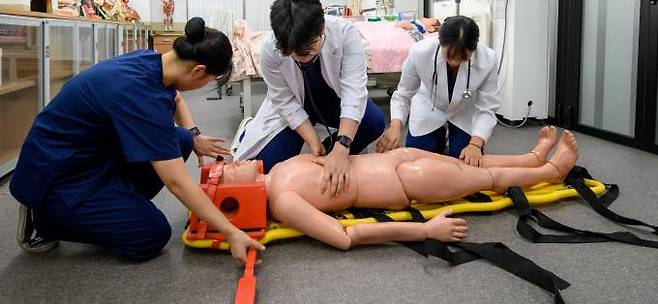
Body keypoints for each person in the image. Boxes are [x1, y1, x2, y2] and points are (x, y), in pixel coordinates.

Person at [10, 17, 264, 263]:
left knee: (182, 140)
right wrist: (231, 233)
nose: (206, 83)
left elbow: (175, 98)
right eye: (208, 80)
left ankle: (115, 206)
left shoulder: (153, 61)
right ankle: (45, 220)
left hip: (89, 156)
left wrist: (194, 136)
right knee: (151, 235)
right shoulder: (142, 97)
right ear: (198, 70)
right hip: (58, 177)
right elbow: (176, 181)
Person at [224, 127, 577, 249]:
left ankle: (531, 158)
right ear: (236, 197)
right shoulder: (284, 201)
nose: (227, 165)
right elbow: (346, 236)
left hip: (398, 158)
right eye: (224, 175)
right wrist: (426, 229)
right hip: (404, 182)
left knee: (466, 162)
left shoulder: (279, 168)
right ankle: (551, 172)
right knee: (486, 181)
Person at [235, 0, 386, 196]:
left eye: (310, 47)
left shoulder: (345, 34)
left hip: (334, 100)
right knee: (265, 168)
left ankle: (327, 157)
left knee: (374, 122)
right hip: (295, 105)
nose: (304, 57)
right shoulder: (270, 49)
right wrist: (312, 140)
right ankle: (249, 131)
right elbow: (284, 100)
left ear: (322, 26)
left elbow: (354, 92)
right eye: (296, 52)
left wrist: (341, 147)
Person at [378, 15, 499, 167]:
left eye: (462, 57)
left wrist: (475, 145)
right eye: (450, 55)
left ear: (474, 49)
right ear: (440, 42)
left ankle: (534, 160)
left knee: (467, 165)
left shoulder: (488, 59)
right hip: (429, 106)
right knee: (416, 163)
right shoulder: (419, 52)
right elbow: (404, 93)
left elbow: (487, 107)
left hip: (464, 110)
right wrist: (395, 127)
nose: (455, 60)